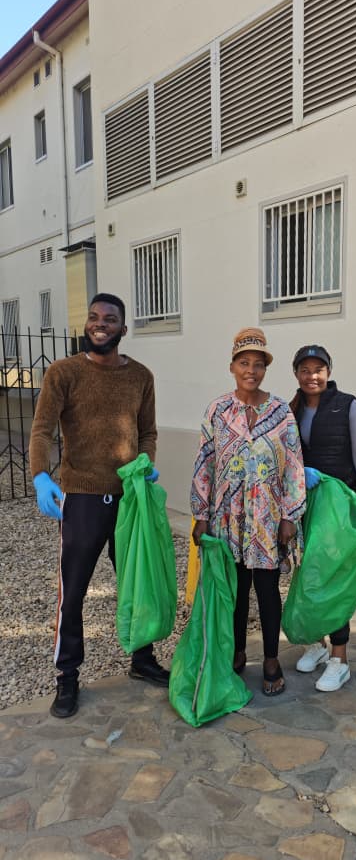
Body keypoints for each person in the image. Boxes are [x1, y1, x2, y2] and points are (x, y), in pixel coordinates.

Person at [29, 293, 170, 719]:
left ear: (123, 329)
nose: (100, 324)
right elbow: (41, 429)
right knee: (72, 592)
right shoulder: (64, 372)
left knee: (137, 581)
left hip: (130, 499)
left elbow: (148, 432)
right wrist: (40, 475)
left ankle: (142, 658)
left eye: (109, 319)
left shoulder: (141, 376)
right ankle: (67, 676)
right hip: (83, 499)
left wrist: (147, 464)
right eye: (93, 317)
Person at [191, 327, 306, 696]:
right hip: (229, 516)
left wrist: (290, 515)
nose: (251, 370)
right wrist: (201, 514)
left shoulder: (281, 411)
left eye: (258, 364)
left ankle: (271, 659)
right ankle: (238, 651)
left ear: (265, 369)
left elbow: (294, 465)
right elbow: (205, 462)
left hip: (268, 518)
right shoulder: (217, 410)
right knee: (237, 588)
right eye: (244, 363)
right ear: (232, 366)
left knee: (268, 590)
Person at [290, 345, 356, 692]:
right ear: (296, 374)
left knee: (336, 579)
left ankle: (340, 659)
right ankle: (317, 644)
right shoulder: (290, 409)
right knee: (309, 574)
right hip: (305, 507)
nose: (312, 376)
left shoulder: (348, 406)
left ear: (329, 371)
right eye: (305, 370)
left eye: (318, 369)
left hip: (340, 509)